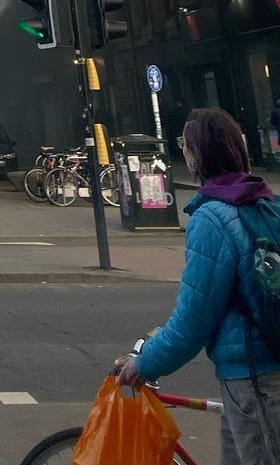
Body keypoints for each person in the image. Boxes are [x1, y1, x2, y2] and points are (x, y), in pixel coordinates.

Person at [118, 107, 280, 463]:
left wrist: (146, 364)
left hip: (253, 381)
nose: (184, 154)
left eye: (185, 145)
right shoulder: (265, 201)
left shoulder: (212, 218)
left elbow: (193, 321)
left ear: (199, 155)